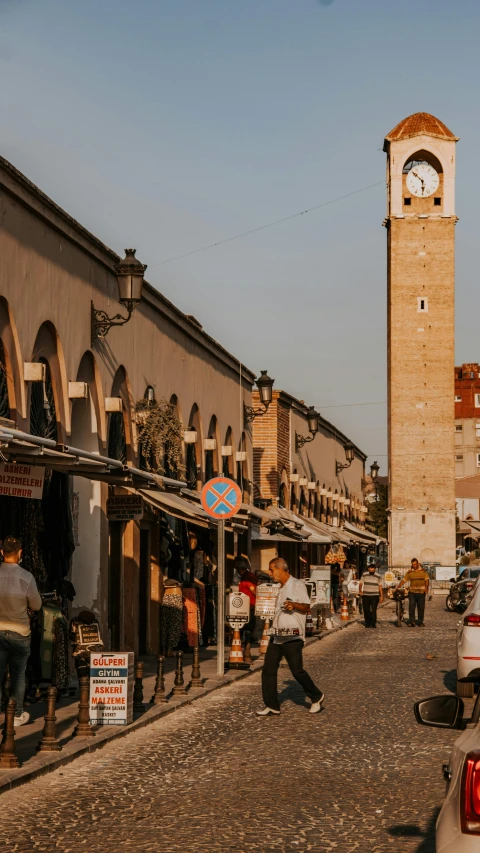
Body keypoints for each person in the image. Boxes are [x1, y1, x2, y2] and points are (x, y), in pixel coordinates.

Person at [256, 557, 324, 717]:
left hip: (292, 635)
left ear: (280, 569)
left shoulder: (297, 585)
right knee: (268, 671)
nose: (270, 573)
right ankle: (272, 705)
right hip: (278, 634)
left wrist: (294, 605)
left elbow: (307, 607)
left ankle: (316, 696)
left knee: (297, 670)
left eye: (272, 570)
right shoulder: (280, 587)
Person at [0, 535, 42, 726]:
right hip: (20, 632)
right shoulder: (26, 577)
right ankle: (17, 714)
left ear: (2, 552)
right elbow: (37, 604)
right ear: (20, 553)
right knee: (18, 675)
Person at [397, 558, 430, 627]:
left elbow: (427, 580)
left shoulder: (423, 571)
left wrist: (426, 588)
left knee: (421, 608)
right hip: (412, 592)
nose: (414, 565)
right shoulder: (409, 572)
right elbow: (404, 580)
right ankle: (412, 621)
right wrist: (398, 587)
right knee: (411, 607)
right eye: (412, 564)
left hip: (421, 592)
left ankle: (420, 622)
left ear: (418, 563)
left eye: (415, 564)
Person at [235, 558, 258, 642]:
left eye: (237, 569)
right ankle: (249, 638)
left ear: (240, 569)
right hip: (248, 603)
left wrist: (258, 598)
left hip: (248, 603)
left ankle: (247, 639)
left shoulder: (247, 577)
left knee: (247, 622)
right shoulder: (248, 576)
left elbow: (252, 589)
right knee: (249, 621)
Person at [359, 562, 383, 628]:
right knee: (366, 609)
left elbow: (380, 586)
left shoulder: (378, 576)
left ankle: (373, 623)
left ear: (375, 569)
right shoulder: (364, 574)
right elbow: (361, 583)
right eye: (371, 570)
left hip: (375, 595)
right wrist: (360, 590)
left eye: (373, 570)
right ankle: (367, 622)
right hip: (366, 595)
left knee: (373, 610)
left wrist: (381, 596)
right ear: (368, 569)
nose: (372, 571)